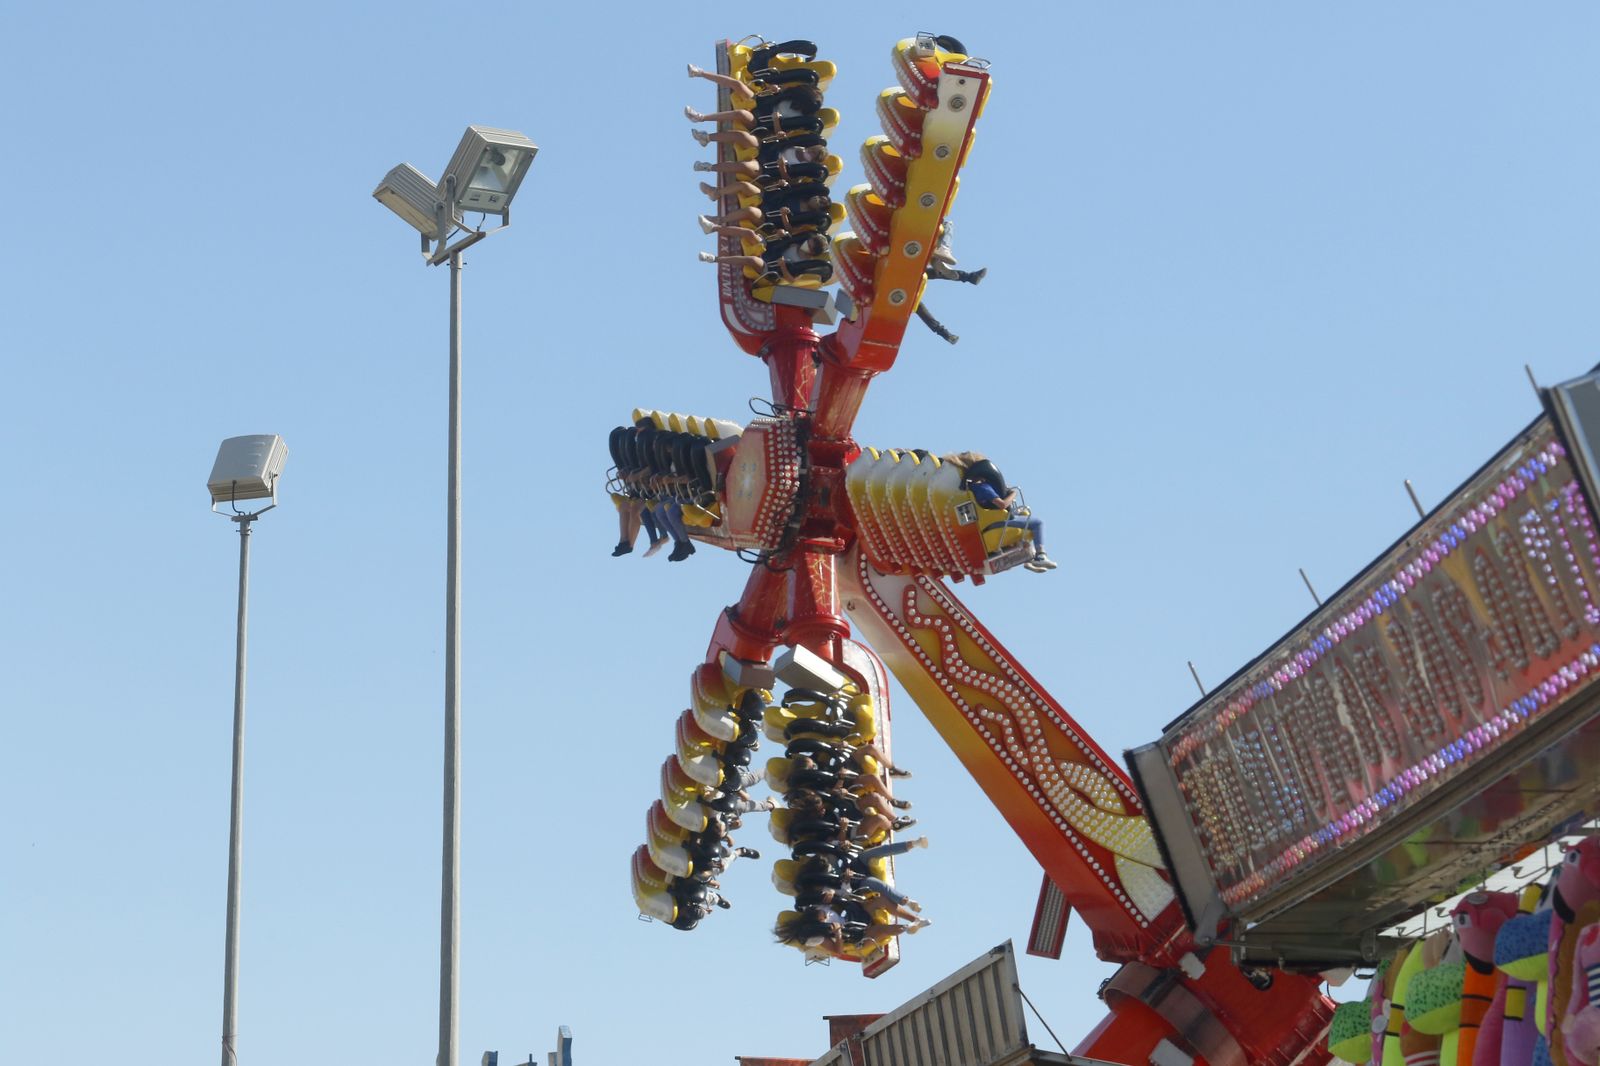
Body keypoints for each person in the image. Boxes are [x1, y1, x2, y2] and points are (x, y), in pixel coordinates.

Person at [946, 452, 1055, 572]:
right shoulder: (984, 487)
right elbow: (1002, 504)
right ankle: (1040, 556)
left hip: (986, 523)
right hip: (997, 522)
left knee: (1023, 514)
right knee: (1037, 523)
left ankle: (1029, 558)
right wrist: (1013, 494)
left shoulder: (971, 488)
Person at [698, 232, 831, 284]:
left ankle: (714, 259)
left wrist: (783, 267)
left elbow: (791, 280)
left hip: (771, 269)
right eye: (809, 241)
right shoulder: (795, 243)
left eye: (810, 246)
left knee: (752, 260)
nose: (806, 244)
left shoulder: (805, 263)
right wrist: (779, 235)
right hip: (768, 252)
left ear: (813, 252)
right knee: (750, 233)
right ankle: (715, 226)